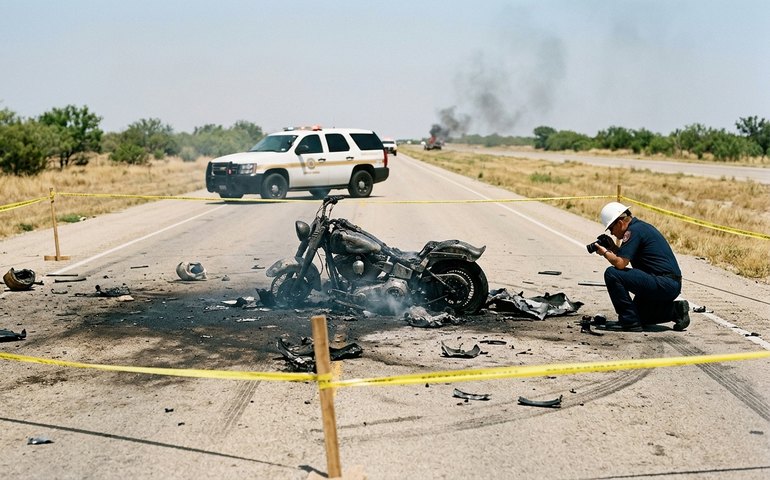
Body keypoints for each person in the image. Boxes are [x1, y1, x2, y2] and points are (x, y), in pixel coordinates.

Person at [592, 202, 690, 332]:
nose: (612, 233)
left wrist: (604, 252)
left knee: (612, 273)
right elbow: (626, 256)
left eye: (611, 229)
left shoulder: (633, 231)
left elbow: (620, 263)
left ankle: (629, 322)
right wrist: (612, 247)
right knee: (638, 315)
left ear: (620, 223)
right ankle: (675, 311)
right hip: (668, 284)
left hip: (662, 283)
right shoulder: (640, 227)